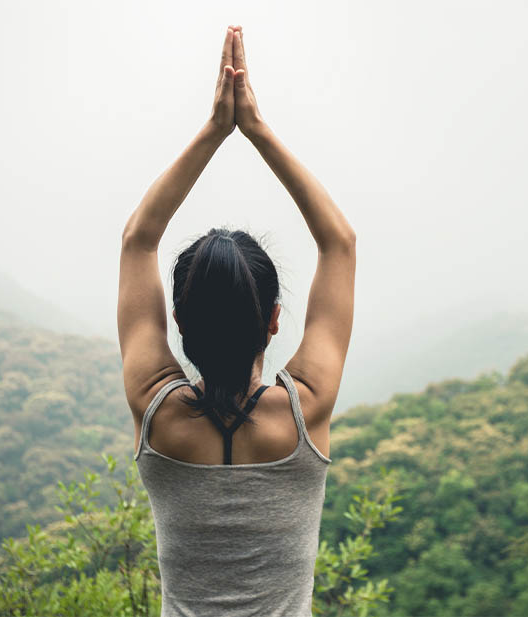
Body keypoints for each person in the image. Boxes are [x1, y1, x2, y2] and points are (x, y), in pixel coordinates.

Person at [117, 24, 356, 617]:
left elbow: (138, 240)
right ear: (274, 320)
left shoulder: (156, 410)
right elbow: (339, 243)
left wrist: (213, 130)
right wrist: (255, 128)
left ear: (178, 320)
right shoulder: (306, 410)